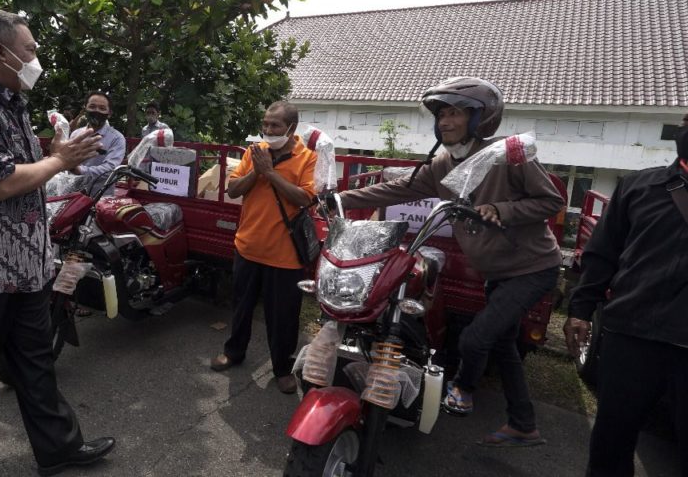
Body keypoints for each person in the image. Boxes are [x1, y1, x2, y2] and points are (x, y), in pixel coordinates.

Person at [0, 10, 115, 477]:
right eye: (29, 50)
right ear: (0, 52)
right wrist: (58, 159)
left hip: (26, 262)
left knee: (35, 362)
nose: (35, 59)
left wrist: (58, 160)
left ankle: (59, 448)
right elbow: (0, 183)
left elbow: (30, 171)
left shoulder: (12, 101)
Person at [334, 77, 563, 445]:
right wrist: (344, 197)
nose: (445, 121)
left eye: (455, 113)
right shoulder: (443, 164)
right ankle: (523, 423)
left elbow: (552, 201)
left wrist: (500, 209)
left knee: (475, 340)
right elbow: (401, 187)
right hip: (497, 271)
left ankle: (463, 389)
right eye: (441, 114)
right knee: (502, 345)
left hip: (531, 268)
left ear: (481, 118)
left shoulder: (512, 154)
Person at [564, 110, 688, 477]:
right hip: (631, 335)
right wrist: (581, 310)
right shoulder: (638, 187)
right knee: (611, 442)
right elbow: (602, 255)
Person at [210, 101, 318, 395]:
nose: (268, 130)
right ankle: (234, 352)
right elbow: (232, 189)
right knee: (241, 306)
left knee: (283, 316)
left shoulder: (307, 157)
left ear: (291, 128)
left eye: (275, 126)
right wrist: (257, 171)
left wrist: (270, 173)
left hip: (286, 256)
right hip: (248, 246)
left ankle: (282, 367)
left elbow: (305, 199)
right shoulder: (253, 153)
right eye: (265, 124)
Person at [66, 91, 125, 197]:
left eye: (102, 108)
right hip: (74, 194)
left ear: (109, 113)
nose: (96, 111)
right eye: (92, 106)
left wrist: (80, 170)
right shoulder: (76, 134)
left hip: (100, 196)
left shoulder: (117, 138)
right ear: (85, 109)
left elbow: (110, 169)